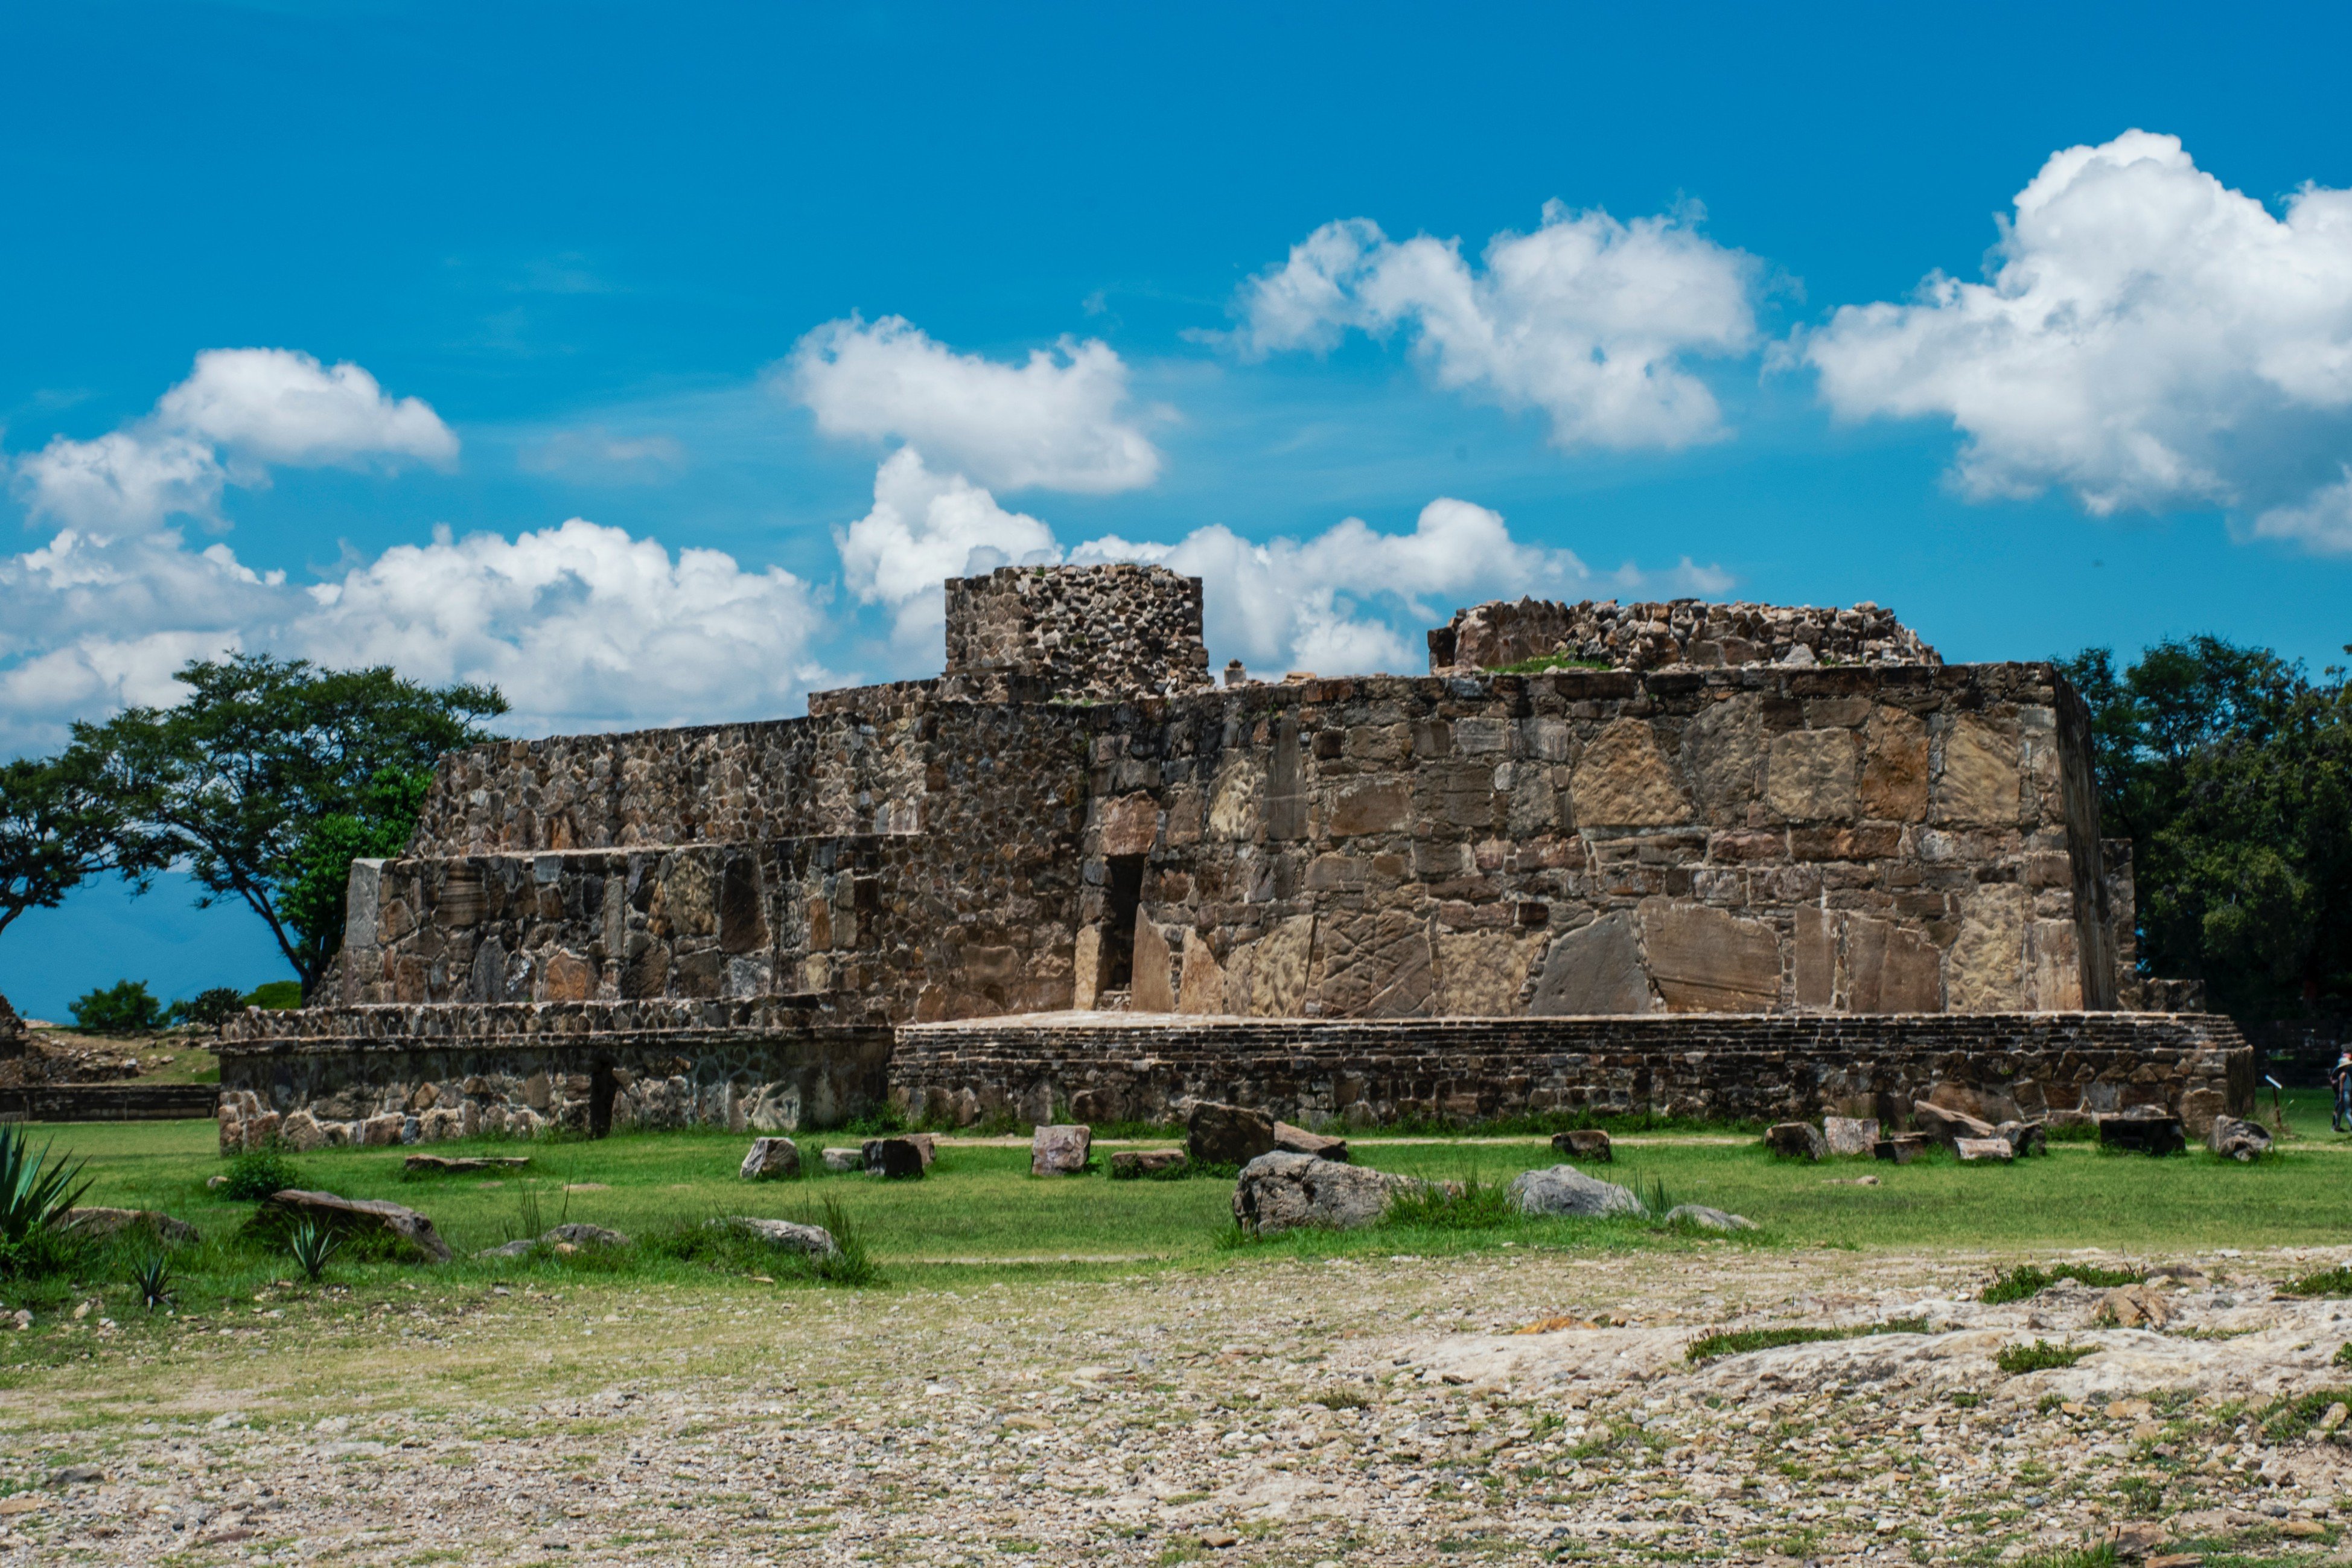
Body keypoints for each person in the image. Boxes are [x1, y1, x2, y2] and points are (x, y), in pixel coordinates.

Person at [2332, 1051, 2352, 1134]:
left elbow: (2341, 1087)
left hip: (2344, 1094)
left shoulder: (2342, 1075)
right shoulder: (2348, 1074)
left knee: (2348, 1112)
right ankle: (2337, 1126)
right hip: (2349, 1093)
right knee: (2340, 1111)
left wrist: (2340, 1097)